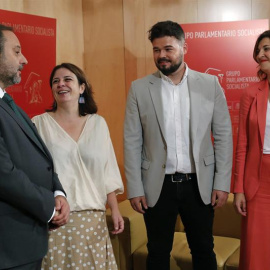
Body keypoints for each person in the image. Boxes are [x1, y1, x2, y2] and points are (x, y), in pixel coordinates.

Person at [124, 20, 233, 270]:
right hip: (157, 184)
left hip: (199, 184)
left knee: (204, 249)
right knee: (158, 252)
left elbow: (224, 135)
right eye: (156, 49)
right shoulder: (139, 89)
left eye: (168, 48)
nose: (161, 55)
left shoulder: (210, 84)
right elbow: (131, 141)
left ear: (184, 47)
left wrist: (222, 183)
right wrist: (135, 188)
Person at [32, 63, 124, 270]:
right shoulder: (38, 124)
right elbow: (33, 172)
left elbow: (107, 171)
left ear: (82, 87)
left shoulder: (98, 123)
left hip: (93, 220)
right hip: (56, 220)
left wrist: (115, 209)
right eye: (55, 81)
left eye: (67, 80)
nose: (61, 84)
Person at [0, 25, 69, 270]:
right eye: (16, 52)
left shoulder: (9, 104)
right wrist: (48, 206)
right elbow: (4, 175)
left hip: (26, 241)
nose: (24, 59)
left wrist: (58, 192)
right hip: (9, 246)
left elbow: (40, 159)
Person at [233, 30, 270, 270]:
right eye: (258, 50)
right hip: (258, 186)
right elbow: (242, 145)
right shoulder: (250, 93)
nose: (260, 55)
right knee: (256, 255)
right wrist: (238, 189)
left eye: (266, 48)